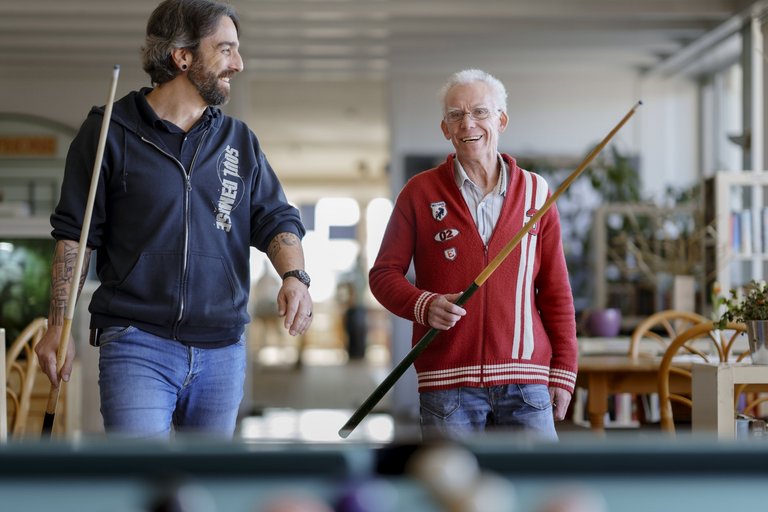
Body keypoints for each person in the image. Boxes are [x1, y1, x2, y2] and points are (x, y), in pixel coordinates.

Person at [35, 0, 313, 439]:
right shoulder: (109, 130)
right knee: (141, 481)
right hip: (135, 342)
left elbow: (276, 216)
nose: (238, 64)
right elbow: (76, 236)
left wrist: (295, 275)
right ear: (182, 56)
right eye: (225, 49)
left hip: (222, 348)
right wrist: (57, 325)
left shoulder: (238, 140)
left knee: (203, 490)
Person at [369, 69, 577, 440]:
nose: (468, 123)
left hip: (526, 382)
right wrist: (424, 304)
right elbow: (383, 275)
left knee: (535, 491)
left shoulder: (536, 192)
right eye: (456, 115)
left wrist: (564, 369)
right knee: (452, 494)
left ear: (502, 119)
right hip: (447, 387)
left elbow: (556, 289)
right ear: (445, 129)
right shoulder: (419, 192)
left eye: (480, 112)